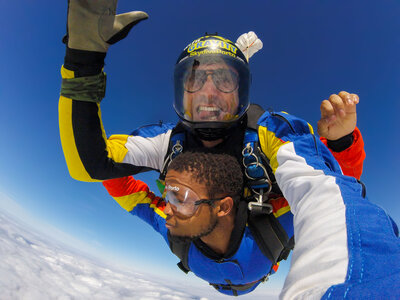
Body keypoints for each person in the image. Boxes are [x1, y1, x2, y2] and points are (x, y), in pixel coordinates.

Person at [58, 1, 368, 296]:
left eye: (223, 79)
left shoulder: (268, 133)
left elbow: (325, 190)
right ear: (181, 93)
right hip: (259, 257)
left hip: (240, 257)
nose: (208, 92)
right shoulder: (167, 143)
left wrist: (340, 144)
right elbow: (93, 165)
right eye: (195, 79)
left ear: (241, 92)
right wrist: (83, 62)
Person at [104, 151, 399, 299]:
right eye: (168, 193)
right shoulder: (174, 225)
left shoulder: (271, 223)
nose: (166, 205)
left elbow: (332, 197)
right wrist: (112, 150)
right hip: (248, 274)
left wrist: (343, 143)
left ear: (222, 207)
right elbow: (120, 185)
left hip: (246, 273)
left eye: (181, 197)